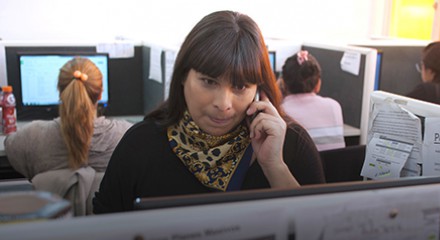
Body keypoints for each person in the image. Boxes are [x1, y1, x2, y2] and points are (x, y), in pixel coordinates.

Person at [93, 10, 326, 214]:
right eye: (208, 81)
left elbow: (322, 234)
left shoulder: (290, 144)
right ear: (184, 76)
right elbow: (103, 229)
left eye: (240, 86)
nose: (223, 103)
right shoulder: (141, 144)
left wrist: (274, 166)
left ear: (259, 89)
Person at [4, 57, 133, 180]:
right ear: (100, 94)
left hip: (54, 203)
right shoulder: (126, 135)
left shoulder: (32, 136)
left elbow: (9, 144)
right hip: (105, 203)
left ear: (60, 93)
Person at [280, 50, 345, 151]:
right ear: (318, 84)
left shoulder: (282, 111)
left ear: (283, 83)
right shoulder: (334, 106)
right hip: (335, 166)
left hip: (304, 166)